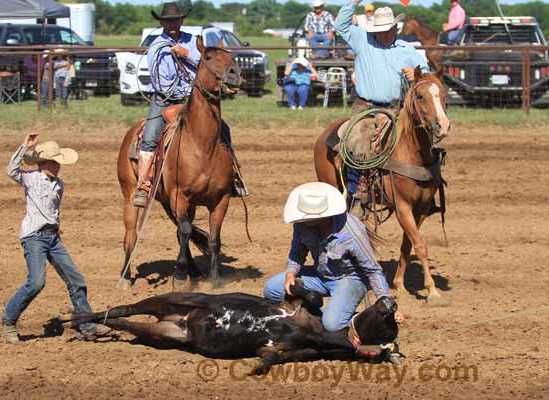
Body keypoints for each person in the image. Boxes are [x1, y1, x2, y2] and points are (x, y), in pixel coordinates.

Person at [134, 3, 249, 208]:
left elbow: (207, 64)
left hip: (191, 98)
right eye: (168, 20)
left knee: (223, 129)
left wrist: (186, 54)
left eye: (176, 20)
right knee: (151, 135)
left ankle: (232, 175)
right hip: (164, 98)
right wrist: (177, 89)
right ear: (161, 22)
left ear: (181, 21)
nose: (172, 24)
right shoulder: (156, 47)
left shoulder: (192, 42)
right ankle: (144, 184)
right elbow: (160, 79)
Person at [1, 133, 111, 344]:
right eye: (54, 162)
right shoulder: (31, 178)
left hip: (52, 238)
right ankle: (8, 320)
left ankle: (87, 325)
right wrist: (25, 146)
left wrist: (57, 228)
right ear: (43, 163)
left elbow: (54, 210)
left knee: (76, 280)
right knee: (36, 282)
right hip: (34, 238)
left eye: (58, 162)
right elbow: (11, 170)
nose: (58, 166)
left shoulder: (59, 184)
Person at [263, 182, 403, 337]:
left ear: (323, 216)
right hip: (320, 275)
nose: (302, 219)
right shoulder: (302, 225)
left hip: (350, 279)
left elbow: (373, 270)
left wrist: (386, 303)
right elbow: (297, 252)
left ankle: (356, 318)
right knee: (271, 289)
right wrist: (291, 274)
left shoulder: (351, 231)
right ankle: (322, 313)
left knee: (332, 324)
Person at [334, 0, 430, 200]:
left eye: (389, 29)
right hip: (367, 106)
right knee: (359, 141)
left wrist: (417, 74)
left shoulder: (406, 49)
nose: (385, 34)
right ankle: (357, 189)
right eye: (381, 30)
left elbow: (427, 74)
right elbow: (340, 25)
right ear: (374, 29)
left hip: (399, 108)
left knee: (425, 139)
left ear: (396, 27)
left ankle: (427, 188)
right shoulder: (362, 40)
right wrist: (354, 3)